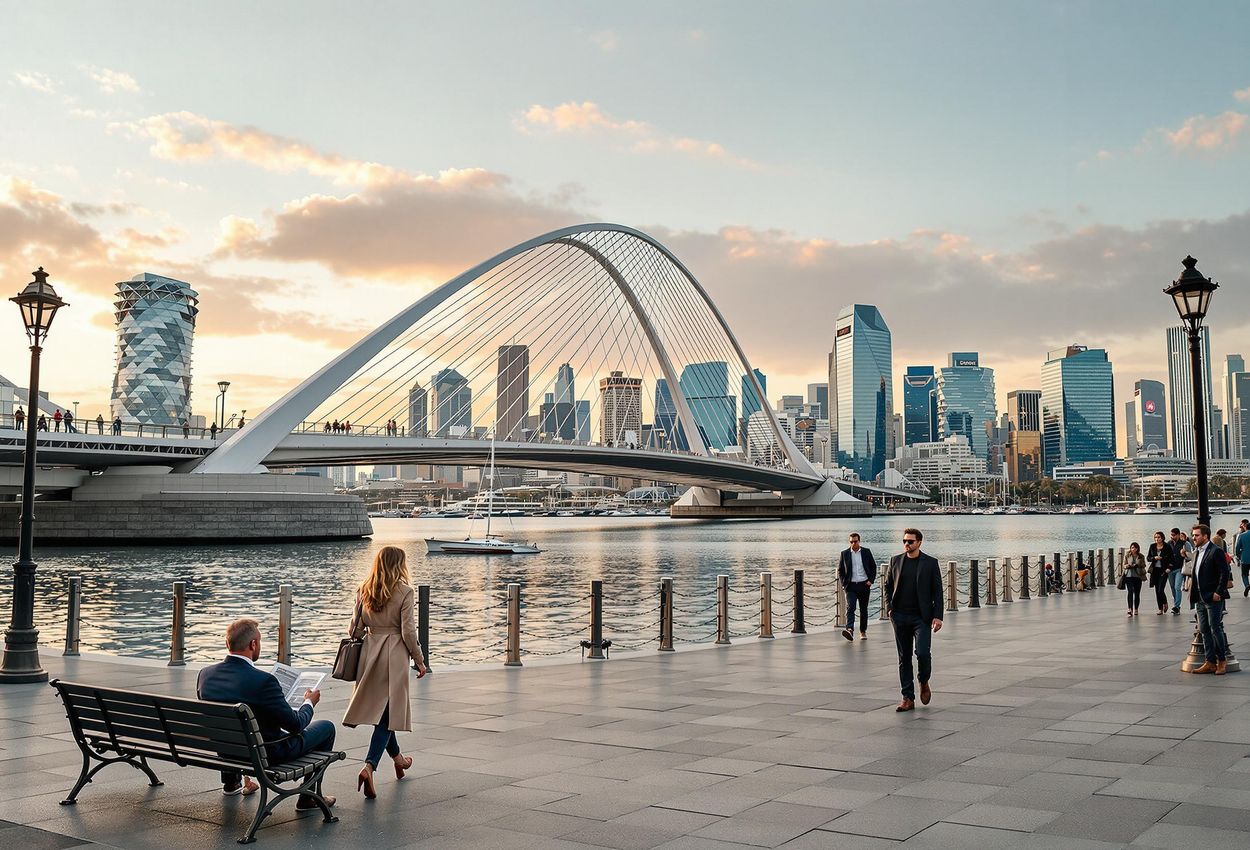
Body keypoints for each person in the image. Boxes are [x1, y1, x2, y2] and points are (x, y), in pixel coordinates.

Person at [197, 618, 337, 808]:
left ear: (227, 643)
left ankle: (231, 782)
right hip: (269, 753)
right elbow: (295, 725)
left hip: (227, 750)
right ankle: (308, 796)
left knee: (231, 724)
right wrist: (308, 703)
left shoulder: (205, 675)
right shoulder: (263, 681)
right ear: (253, 644)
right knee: (326, 727)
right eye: (260, 641)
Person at [343, 546, 428, 799]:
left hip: (370, 655)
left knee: (383, 713)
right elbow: (408, 633)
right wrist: (420, 660)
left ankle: (399, 759)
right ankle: (369, 767)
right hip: (394, 656)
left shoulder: (364, 590)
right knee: (387, 716)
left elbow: (354, 631)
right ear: (399, 565)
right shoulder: (405, 591)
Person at [884, 528, 943, 712]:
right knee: (904, 657)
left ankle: (923, 680)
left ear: (919, 542)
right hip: (899, 616)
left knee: (923, 653)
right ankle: (907, 697)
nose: (906, 544)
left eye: (910, 541)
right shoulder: (895, 561)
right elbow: (887, 586)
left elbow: (937, 592)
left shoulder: (930, 563)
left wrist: (938, 616)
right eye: (904, 541)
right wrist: (890, 608)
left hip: (921, 617)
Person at [1187, 524, 1228, 675]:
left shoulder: (1215, 551)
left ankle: (1222, 661)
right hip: (1199, 597)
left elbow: (1225, 572)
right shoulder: (1197, 552)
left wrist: (1218, 592)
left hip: (1212, 597)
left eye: (1196, 535)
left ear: (1205, 536)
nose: (1194, 538)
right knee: (1204, 629)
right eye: (1193, 535)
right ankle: (1209, 662)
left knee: (1215, 628)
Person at [838, 532, 877, 641]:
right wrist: (844, 584)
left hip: (864, 585)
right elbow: (841, 570)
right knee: (851, 607)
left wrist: (871, 580)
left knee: (863, 609)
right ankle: (849, 629)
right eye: (851, 542)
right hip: (850, 586)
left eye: (855, 541)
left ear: (859, 541)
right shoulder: (844, 554)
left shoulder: (866, 552)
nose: (853, 544)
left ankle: (863, 631)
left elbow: (873, 567)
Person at [1147, 531, 1175, 615]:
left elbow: (1172, 559)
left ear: (1162, 538)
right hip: (1155, 570)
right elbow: (1148, 558)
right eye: (1155, 537)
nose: (1157, 539)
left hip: (1163, 571)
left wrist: (1169, 568)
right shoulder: (1152, 546)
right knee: (1156, 590)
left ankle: (1165, 603)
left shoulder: (1167, 546)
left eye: (1158, 537)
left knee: (1160, 589)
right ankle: (1160, 608)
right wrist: (1154, 558)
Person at [1168, 528, 1191, 614]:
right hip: (1170, 569)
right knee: (1173, 587)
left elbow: (1190, 556)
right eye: (1171, 535)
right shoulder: (1168, 543)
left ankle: (1177, 606)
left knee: (1177, 587)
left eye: (1173, 535)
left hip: (1180, 568)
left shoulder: (1185, 544)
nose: (1172, 537)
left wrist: (1184, 555)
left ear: (1178, 535)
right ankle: (1176, 604)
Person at [1123, 542, 1145, 616]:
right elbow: (1124, 564)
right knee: (1130, 591)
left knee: (1137, 593)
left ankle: (1136, 609)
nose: (1133, 549)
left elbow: (1143, 565)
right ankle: (1129, 608)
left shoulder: (1141, 556)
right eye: (1132, 547)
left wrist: (1137, 565)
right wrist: (1127, 566)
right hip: (1129, 576)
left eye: (1135, 548)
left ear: (1138, 548)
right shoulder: (1127, 555)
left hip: (1138, 576)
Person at [1236, 519, 1250, 598]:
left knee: (1244, 575)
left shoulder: (1241, 535)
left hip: (1244, 558)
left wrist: (1238, 556)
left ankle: (1247, 585)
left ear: (1246, 528)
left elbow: (1237, 547)